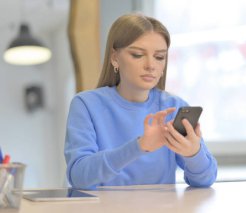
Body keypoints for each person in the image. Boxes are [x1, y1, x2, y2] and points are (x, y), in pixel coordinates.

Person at [64, 13, 218, 189]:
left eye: (159, 57)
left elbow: (206, 179)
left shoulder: (175, 107)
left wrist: (194, 154)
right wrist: (139, 146)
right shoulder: (86, 105)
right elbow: (79, 177)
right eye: (137, 55)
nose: (151, 65)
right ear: (115, 58)